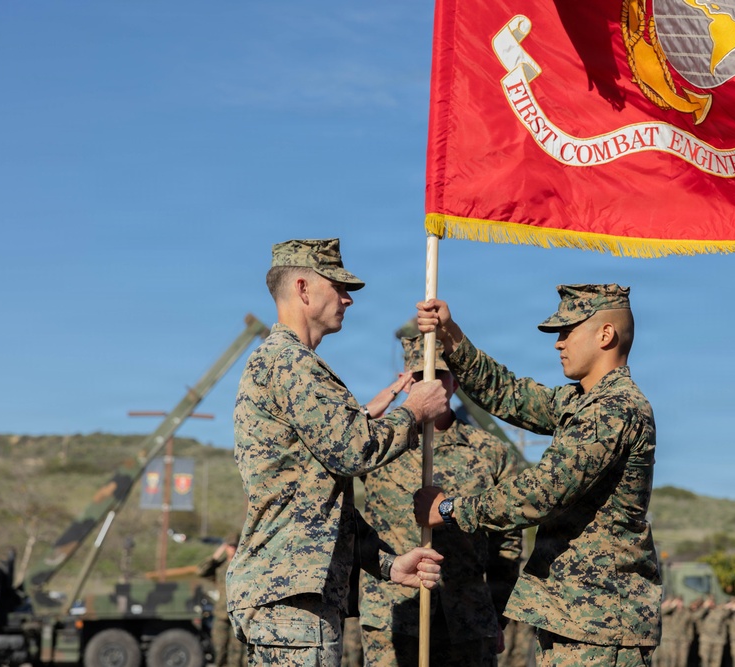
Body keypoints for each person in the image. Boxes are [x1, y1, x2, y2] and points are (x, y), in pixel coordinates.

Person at [226, 238, 448, 667]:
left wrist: (388, 564)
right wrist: (414, 411)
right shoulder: (290, 363)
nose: (348, 299)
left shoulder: (286, 362)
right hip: (292, 598)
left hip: (294, 594)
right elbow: (353, 450)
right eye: (338, 287)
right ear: (303, 289)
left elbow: (320, 505)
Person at [414, 284, 661, 667]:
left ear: (605, 335)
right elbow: (509, 395)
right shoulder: (583, 402)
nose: (558, 343)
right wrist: (453, 337)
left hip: (601, 623)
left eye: (568, 331)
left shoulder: (613, 409)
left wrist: (449, 509)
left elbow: (542, 492)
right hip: (578, 618)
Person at [358, 335, 523, 667]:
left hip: (468, 620)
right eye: (420, 376)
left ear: (455, 382)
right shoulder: (378, 442)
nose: (430, 383)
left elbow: (507, 542)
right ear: (406, 381)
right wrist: (366, 415)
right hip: (392, 617)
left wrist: (497, 614)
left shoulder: (489, 452)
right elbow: (327, 464)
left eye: (440, 375)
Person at [198, 534, 247, 667]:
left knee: (236, 653)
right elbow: (202, 571)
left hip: (238, 616)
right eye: (230, 546)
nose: (233, 549)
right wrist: (216, 555)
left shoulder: (244, 565)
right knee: (219, 649)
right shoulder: (220, 566)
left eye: (235, 546)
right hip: (221, 614)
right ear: (226, 547)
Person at [694, 596, 731, 667]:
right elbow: (695, 617)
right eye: (709, 601)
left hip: (718, 640)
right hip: (706, 639)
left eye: (712, 601)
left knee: (716, 661)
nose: (711, 603)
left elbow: (726, 613)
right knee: (704, 660)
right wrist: (705, 608)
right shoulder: (703, 611)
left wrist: (724, 606)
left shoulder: (719, 611)